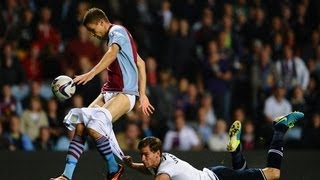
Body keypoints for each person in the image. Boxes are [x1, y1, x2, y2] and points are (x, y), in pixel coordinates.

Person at [51, 7, 154, 180]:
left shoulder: (117, 31)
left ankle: (114, 169)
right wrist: (143, 94)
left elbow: (112, 53)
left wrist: (90, 73)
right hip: (108, 91)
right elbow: (141, 64)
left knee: (94, 126)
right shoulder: (119, 39)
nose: (92, 34)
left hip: (124, 93)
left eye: (92, 29)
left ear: (101, 22)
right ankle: (66, 176)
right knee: (82, 125)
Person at [123, 111, 304, 180]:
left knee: (273, 173)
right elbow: (149, 169)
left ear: (157, 153)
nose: (143, 158)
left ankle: (280, 128)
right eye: (142, 156)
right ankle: (236, 152)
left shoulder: (164, 172)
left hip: (219, 178)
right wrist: (132, 165)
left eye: (146, 155)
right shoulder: (161, 161)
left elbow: (159, 175)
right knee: (243, 173)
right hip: (215, 173)